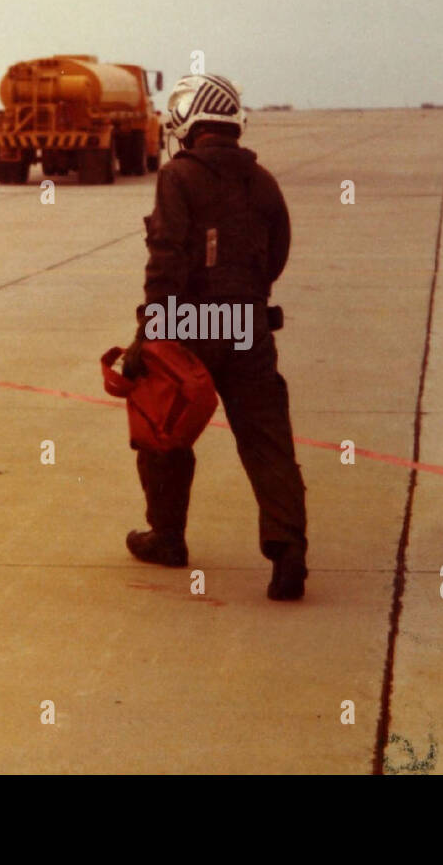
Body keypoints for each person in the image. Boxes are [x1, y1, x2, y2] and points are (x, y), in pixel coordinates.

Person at [122, 74, 309, 600]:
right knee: (268, 440)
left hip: (191, 328)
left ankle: (167, 536)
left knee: (163, 429)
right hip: (250, 325)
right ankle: (287, 550)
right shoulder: (264, 181)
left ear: (187, 121)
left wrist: (151, 333)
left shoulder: (178, 177)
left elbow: (166, 261)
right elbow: (278, 252)